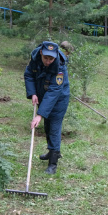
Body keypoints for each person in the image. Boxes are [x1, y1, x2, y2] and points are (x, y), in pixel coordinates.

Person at [24, 41, 70, 174]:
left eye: (51, 58)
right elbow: (29, 75)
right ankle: (52, 152)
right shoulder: (35, 59)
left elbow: (54, 91)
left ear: (55, 56)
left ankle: (53, 163)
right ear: (41, 53)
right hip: (43, 95)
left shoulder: (60, 66)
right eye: (46, 58)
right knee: (47, 126)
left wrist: (40, 114)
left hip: (59, 98)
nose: (48, 61)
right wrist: (32, 92)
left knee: (54, 127)